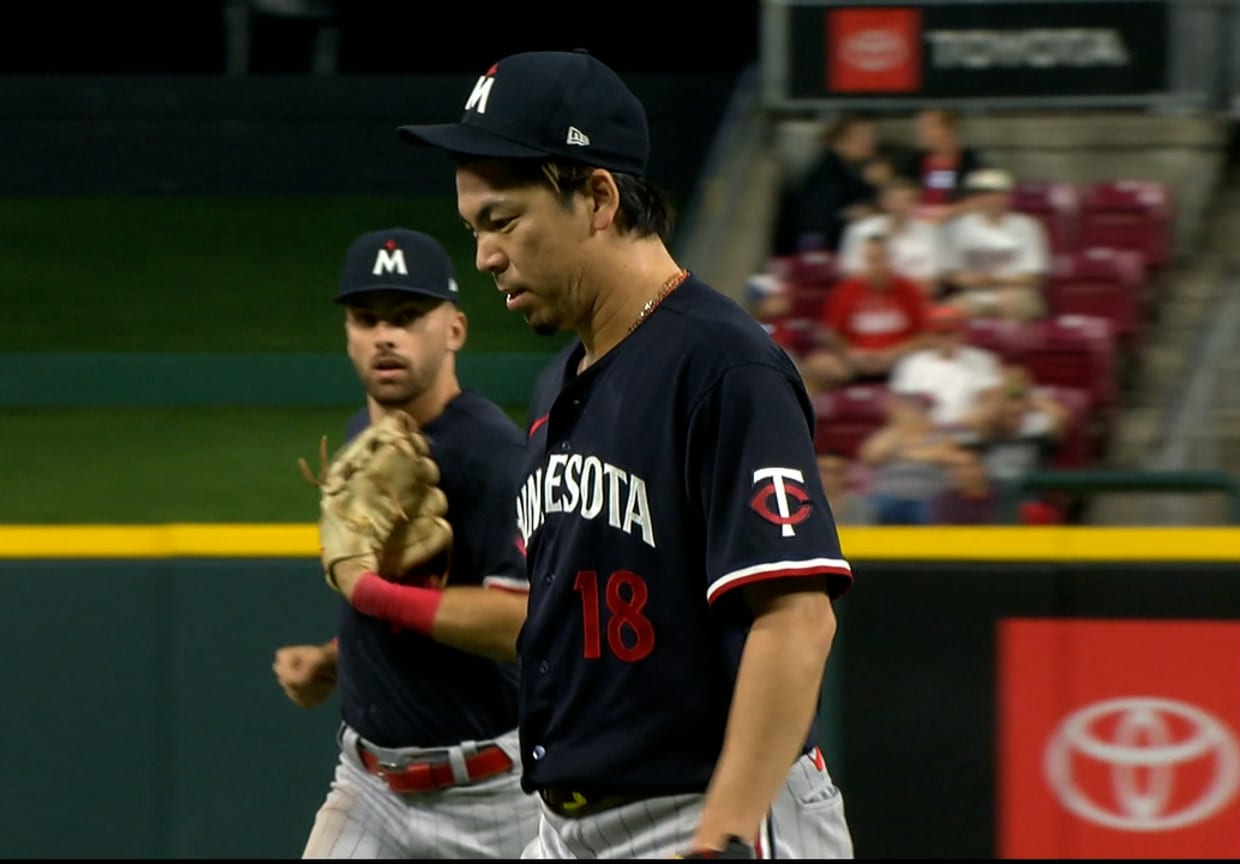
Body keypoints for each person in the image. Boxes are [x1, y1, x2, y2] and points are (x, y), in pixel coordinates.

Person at [397, 49, 855, 859]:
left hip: (705, 812)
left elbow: (796, 618)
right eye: (473, 231)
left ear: (598, 197)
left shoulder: (720, 364)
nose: (483, 258)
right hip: (570, 826)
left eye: (502, 221)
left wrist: (724, 834)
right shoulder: (556, 386)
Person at [272, 227, 538, 859]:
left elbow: (525, 625)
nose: (385, 335)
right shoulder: (367, 433)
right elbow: (412, 591)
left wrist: (368, 593)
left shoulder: (495, 455)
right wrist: (335, 658)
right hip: (367, 787)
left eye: (409, 315)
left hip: (494, 800)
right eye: (366, 318)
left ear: (455, 330)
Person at [801, 235, 931, 394]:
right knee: (817, 365)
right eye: (871, 260)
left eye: (881, 259)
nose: (876, 266)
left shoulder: (909, 290)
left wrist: (893, 354)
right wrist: (851, 353)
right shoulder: (846, 290)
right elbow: (832, 333)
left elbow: (925, 335)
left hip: (899, 361)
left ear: (891, 260)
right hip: (855, 361)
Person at [940, 169, 1050, 321]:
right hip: (973, 294)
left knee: (1016, 305)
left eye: (996, 194)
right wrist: (967, 279)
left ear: (1008, 197)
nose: (991, 199)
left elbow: (1035, 277)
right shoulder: (959, 227)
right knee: (947, 314)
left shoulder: (1027, 225)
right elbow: (951, 273)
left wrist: (996, 280)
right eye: (984, 194)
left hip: (1017, 292)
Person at [888, 305, 1004, 435]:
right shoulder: (911, 364)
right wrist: (925, 428)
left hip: (970, 430)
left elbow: (991, 402)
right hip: (923, 432)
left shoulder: (981, 360)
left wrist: (962, 425)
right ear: (928, 336)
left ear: (962, 333)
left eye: (951, 332)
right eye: (940, 334)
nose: (946, 339)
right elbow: (902, 407)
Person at [856, 391, 968, 525]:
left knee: (934, 509)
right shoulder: (887, 434)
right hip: (887, 495)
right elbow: (870, 456)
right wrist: (914, 448)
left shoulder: (941, 436)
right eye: (914, 410)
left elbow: (945, 456)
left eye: (924, 411)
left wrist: (898, 452)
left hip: (928, 497)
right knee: (874, 506)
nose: (920, 415)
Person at [791, 113, 886, 253]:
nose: (872, 141)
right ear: (842, 140)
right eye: (865, 136)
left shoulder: (858, 168)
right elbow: (820, 216)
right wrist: (866, 186)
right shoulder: (826, 170)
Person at [837, 176, 947, 296]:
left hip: (915, 300)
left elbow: (932, 282)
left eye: (908, 200)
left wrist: (886, 283)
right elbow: (851, 275)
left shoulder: (930, 233)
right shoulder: (859, 231)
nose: (901, 206)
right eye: (895, 200)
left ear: (916, 203)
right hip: (868, 299)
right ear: (883, 202)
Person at [898, 108, 988, 220]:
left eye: (927, 128)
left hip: (960, 221)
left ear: (948, 129)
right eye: (919, 128)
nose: (920, 133)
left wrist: (951, 211)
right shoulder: (913, 162)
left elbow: (987, 197)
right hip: (919, 221)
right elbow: (899, 193)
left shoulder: (971, 162)